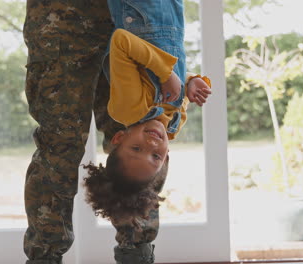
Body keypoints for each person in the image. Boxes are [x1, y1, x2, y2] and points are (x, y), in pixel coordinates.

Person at [23, 0, 181, 263]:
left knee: (143, 134)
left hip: (138, 12)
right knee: (58, 146)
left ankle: (137, 254)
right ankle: (45, 256)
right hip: (62, 16)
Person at [83, 1, 212, 263]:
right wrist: (193, 83)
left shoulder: (129, 109)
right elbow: (179, 89)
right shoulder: (172, 126)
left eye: (136, 149)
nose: (153, 144)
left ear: (118, 138)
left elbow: (121, 40)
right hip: (170, 14)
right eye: (156, 157)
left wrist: (165, 74)